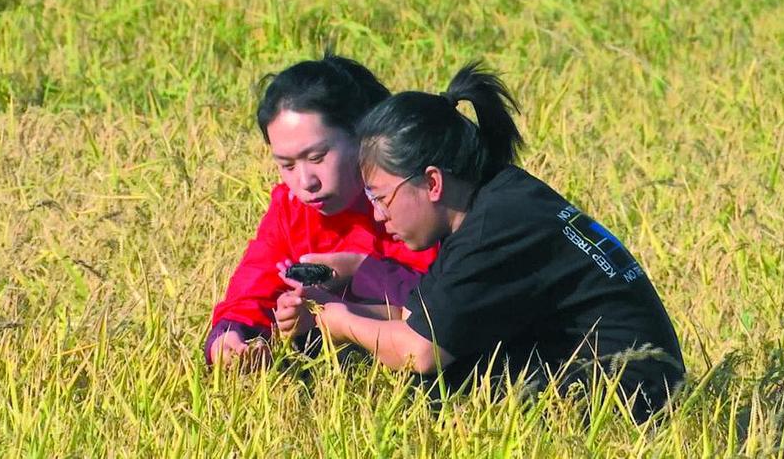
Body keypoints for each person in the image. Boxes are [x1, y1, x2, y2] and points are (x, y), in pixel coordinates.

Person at [280, 62, 685, 421]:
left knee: (436, 384)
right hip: (605, 371)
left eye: (382, 197)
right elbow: (419, 318)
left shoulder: (495, 229)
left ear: (432, 182)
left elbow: (420, 352)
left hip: (627, 393)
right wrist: (328, 314)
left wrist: (341, 322)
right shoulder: (493, 202)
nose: (379, 215)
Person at [205, 53, 438, 366]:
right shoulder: (289, 209)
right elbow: (252, 287)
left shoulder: (411, 198)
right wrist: (231, 336)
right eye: (286, 165)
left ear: (361, 136)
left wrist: (359, 271)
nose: (305, 182)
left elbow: (443, 300)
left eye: (317, 158)